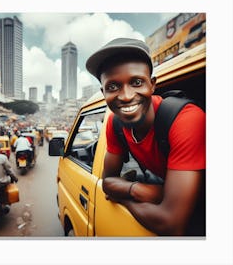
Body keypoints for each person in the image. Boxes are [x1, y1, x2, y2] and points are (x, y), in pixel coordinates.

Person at [86, 38, 206, 236]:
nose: (125, 96)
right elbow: (107, 182)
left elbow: (171, 224)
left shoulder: (187, 120)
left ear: (152, 85)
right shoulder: (115, 123)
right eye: (113, 86)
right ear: (103, 92)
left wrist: (124, 197)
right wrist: (138, 190)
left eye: (136, 82)